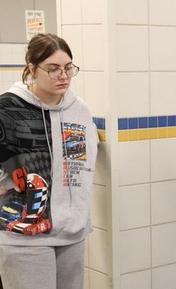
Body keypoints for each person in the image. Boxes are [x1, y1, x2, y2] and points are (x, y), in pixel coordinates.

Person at [0, 33, 98, 289]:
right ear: (32, 68)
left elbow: (84, 165)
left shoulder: (79, 110)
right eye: (53, 69)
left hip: (71, 232)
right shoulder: (7, 110)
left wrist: (76, 213)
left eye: (68, 68)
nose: (63, 75)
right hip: (23, 236)